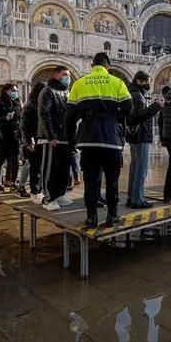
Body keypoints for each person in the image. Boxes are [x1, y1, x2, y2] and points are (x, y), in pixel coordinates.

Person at [66, 52, 133, 227]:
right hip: (111, 139)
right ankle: (112, 215)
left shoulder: (79, 83)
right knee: (111, 180)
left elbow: (69, 116)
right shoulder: (117, 82)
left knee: (90, 179)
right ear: (107, 66)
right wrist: (114, 115)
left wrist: (71, 140)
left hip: (88, 139)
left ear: (92, 66)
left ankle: (91, 217)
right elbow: (129, 108)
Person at [38, 66, 73, 210]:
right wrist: (50, 136)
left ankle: (59, 194)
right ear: (57, 75)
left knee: (63, 168)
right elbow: (44, 114)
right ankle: (48, 198)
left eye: (68, 75)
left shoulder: (67, 92)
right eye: (65, 74)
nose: (67, 77)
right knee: (50, 167)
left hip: (64, 136)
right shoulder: (48, 91)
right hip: (52, 137)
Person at [126, 71, 163, 209]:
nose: (149, 83)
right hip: (141, 136)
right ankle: (138, 199)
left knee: (135, 168)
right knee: (141, 169)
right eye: (147, 81)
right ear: (140, 81)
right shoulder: (137, 96)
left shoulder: (134, 93)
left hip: (136, 136)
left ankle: (131, 197)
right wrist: (156, 106)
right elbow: (139, 115)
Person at [0, 83, 22, 193]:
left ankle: (12, 181)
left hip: (15, 135)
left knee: (15, 160)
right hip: (2, 136)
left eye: (17, 90)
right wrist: (5, 118)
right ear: (6, 91)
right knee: (1, 160)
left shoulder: (18, 102)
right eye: (13, 90)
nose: (15, 92)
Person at [19, 81, 46, 202]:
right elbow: (24, 126)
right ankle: (35, 191)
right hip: (33, 140)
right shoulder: (30, 105)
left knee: (42, 166)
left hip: (43, 139)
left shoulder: (43, 104)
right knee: (35, 167)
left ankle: (40, 190)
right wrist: (29, 142)